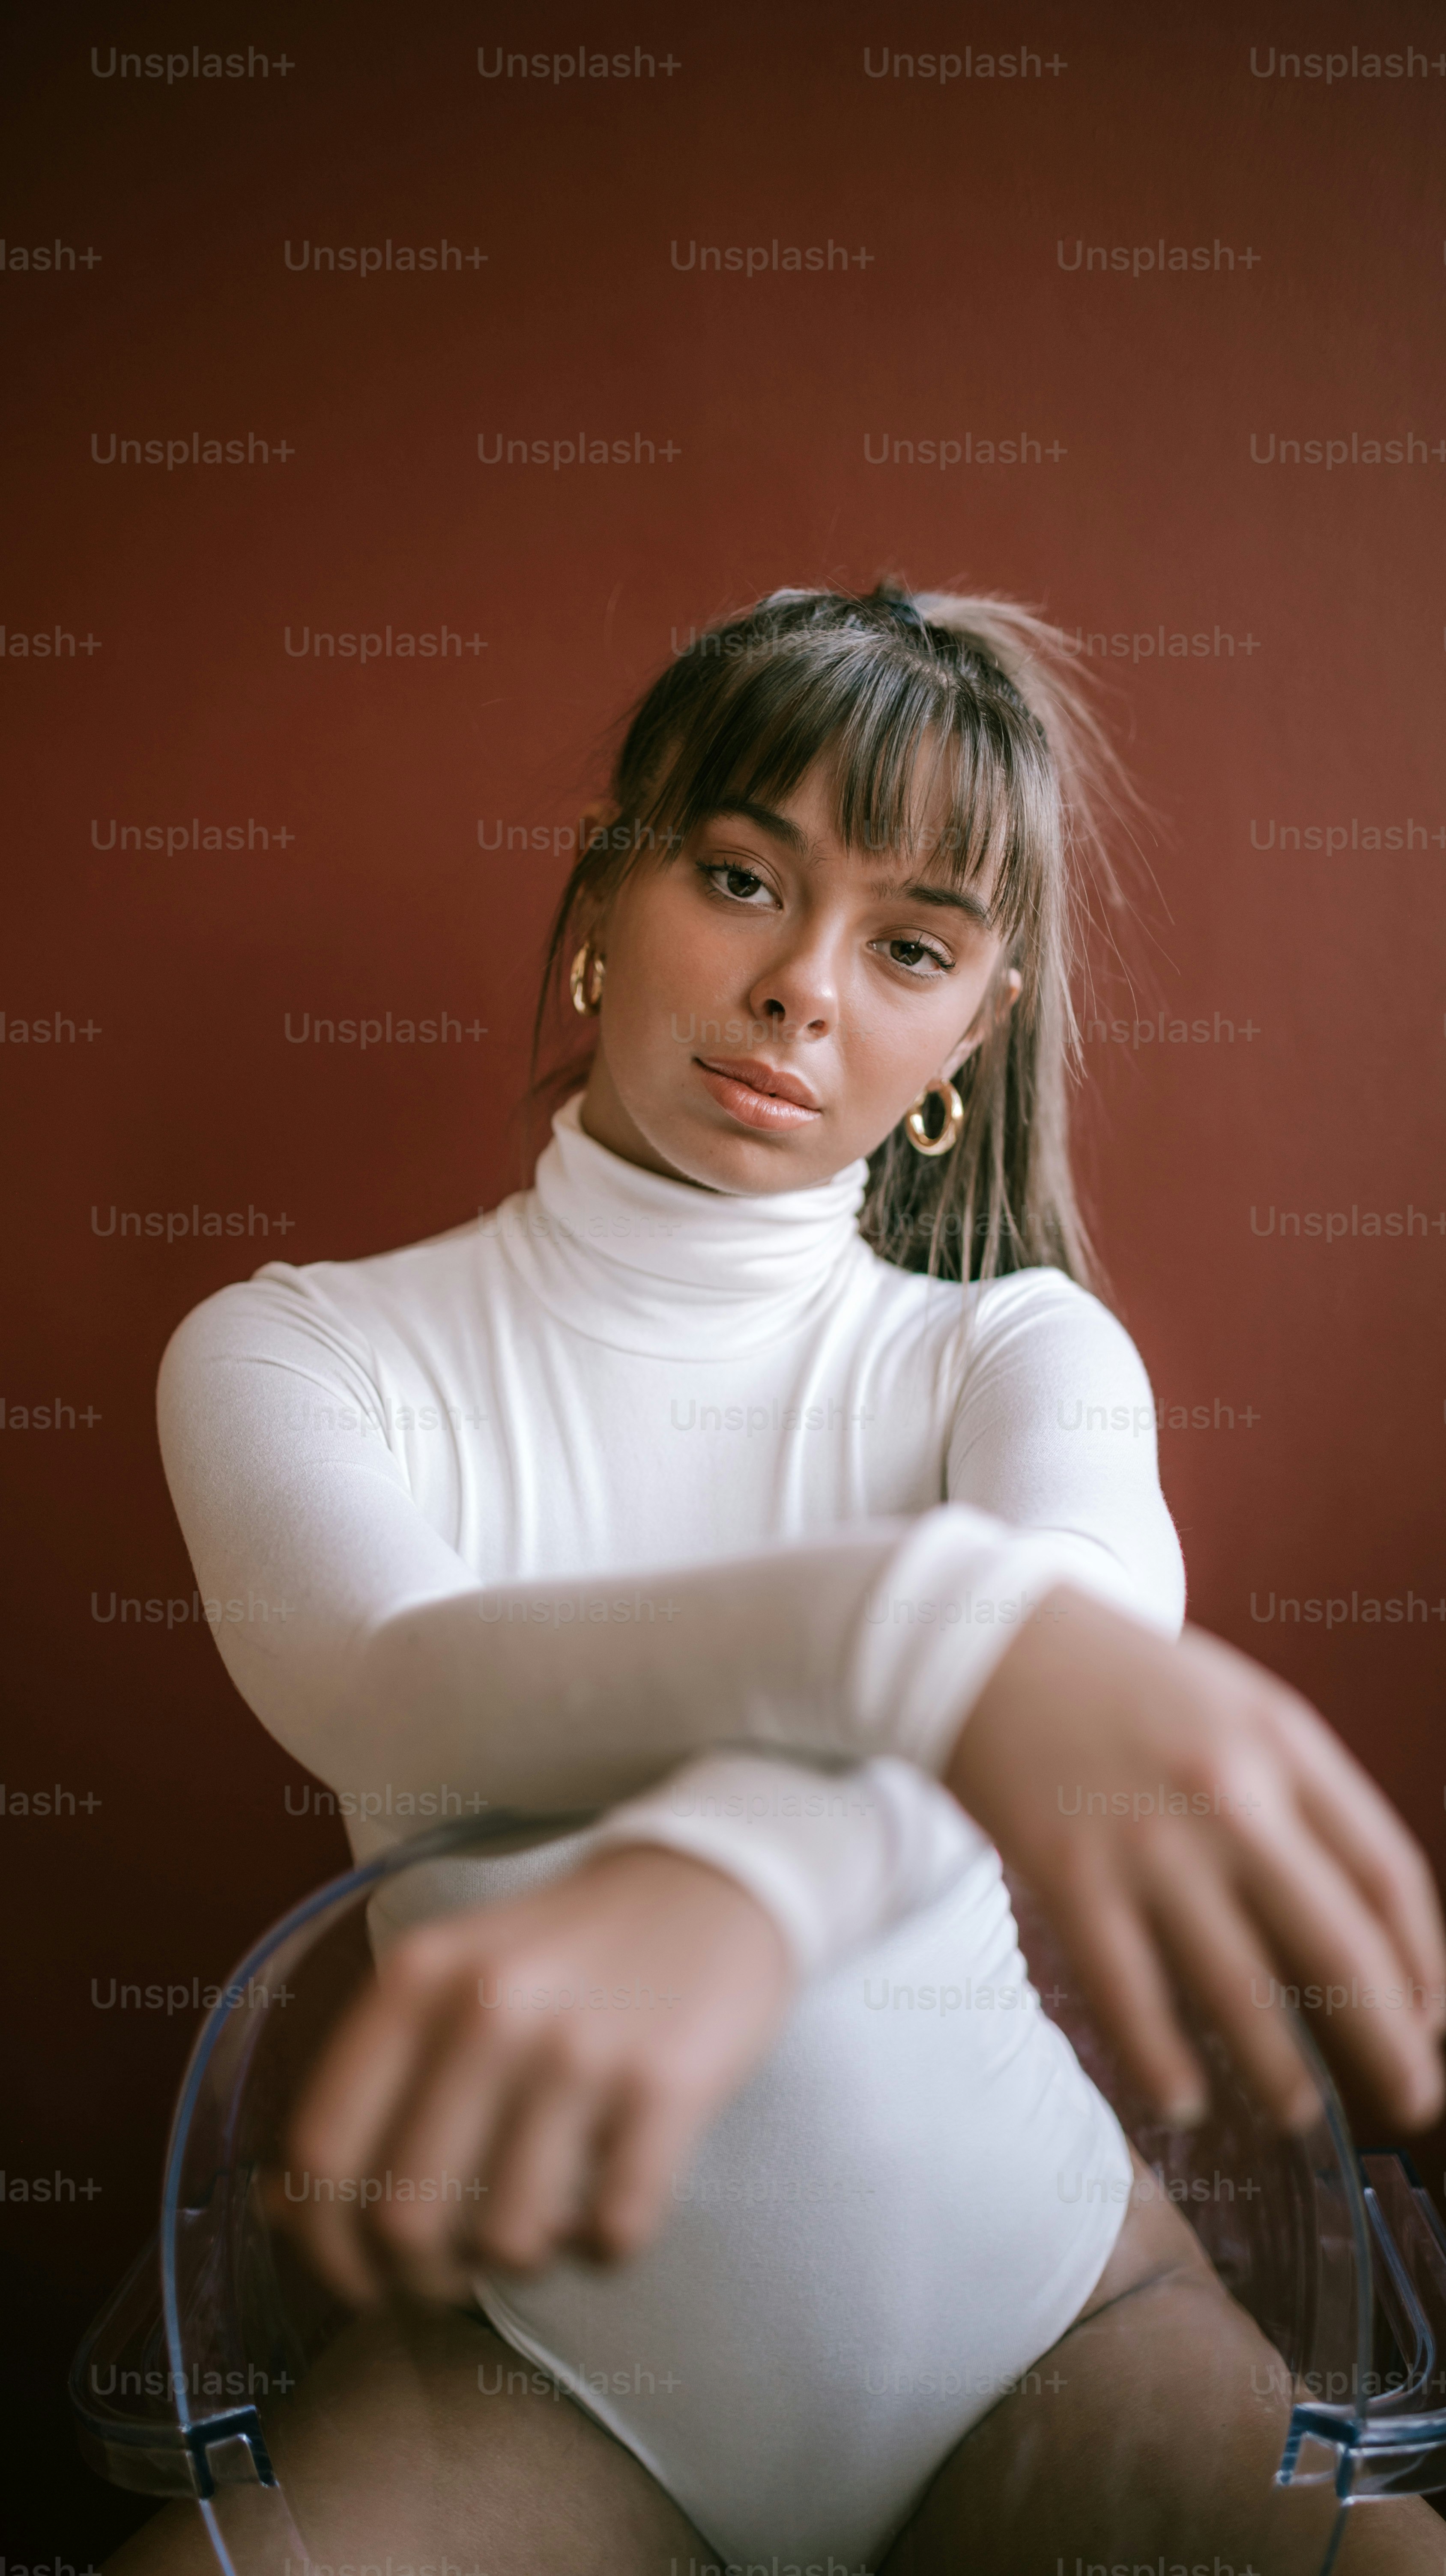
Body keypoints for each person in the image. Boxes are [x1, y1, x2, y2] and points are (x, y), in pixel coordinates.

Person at [111, 587, 1446, 2574]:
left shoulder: (1015, 1347)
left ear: (969, 1033)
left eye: (907, 943)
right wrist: (919, 1640)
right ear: (599, 894)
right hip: (536, 2366)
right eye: (740, 876)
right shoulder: (293, 1351)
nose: (804, 986)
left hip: (1049, 2322)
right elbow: (394, 1681)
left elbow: (1078, 1596)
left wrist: (741, 1867)